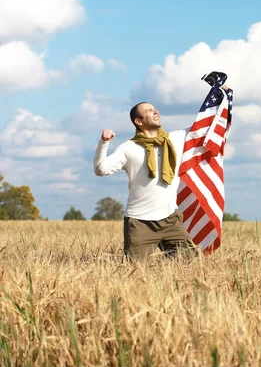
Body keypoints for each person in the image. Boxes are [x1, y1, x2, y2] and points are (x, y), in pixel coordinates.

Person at [93, 83, 229, 260]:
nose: (155, 111)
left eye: (155, 109)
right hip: (140, 222)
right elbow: (100, 169)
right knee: (134, 270)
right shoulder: (129, 148)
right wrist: (104, 143)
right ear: (138, 121)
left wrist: (221, 95)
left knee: (191, 264)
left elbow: (206, 127)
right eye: (149, 111)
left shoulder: (176, 139)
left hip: (171, 220)